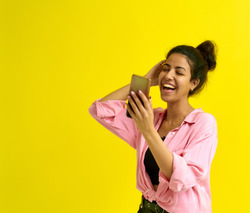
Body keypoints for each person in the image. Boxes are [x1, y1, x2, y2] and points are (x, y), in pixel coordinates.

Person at [89, 40, 218, 213]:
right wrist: (147, 80)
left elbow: (182, 177)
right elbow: (101, 110)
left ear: (193, 83)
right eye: (166, 68)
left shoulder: (203, 124)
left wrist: (148, 130)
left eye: (179, 72)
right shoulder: (153, 118)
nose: (169, 75)